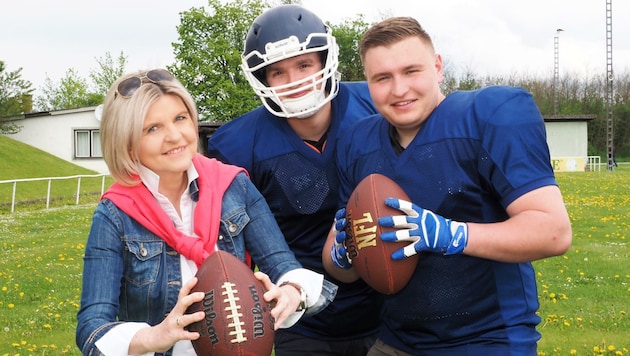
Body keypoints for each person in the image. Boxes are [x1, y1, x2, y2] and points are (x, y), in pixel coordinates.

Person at [323, 17, 573, 354]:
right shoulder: (358, 142)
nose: (399, 89)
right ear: (367, 83)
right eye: (383, 78)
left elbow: (553, 232)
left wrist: (453, 235)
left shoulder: (489, 114)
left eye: (411, 71)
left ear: (438, 67)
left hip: (486, 339)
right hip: (396, 339)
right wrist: (344, 254)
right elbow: (340, 268)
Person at [76, 68, 336, 355]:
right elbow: (92, 328)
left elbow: (284, 267)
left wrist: (291, 292)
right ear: (126, 142)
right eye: (152, 128)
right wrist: (156, 335)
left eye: (180, 118)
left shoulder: (234, 185)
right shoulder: (114, 215)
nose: (175, 136)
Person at [207, 4, 382, 355]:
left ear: (324, 61)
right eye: (278, 72)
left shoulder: (376, 104)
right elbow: (232, 249)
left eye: (304, 65)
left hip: (390, 310)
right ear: (262, 79)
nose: (296, 81)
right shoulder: (238, 144)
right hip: (300, 315)